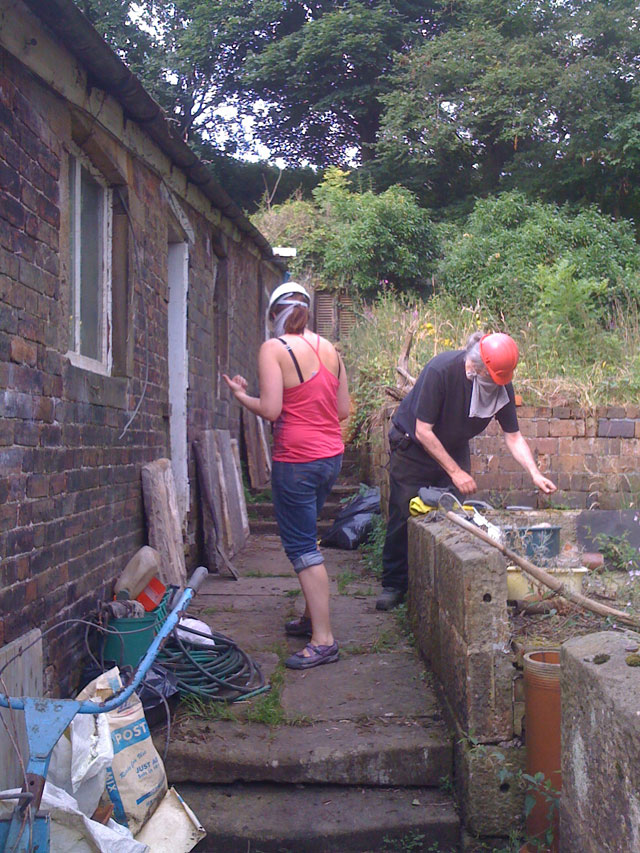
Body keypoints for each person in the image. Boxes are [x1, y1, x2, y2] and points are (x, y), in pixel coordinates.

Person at [376, 331, 557, 611]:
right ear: (474, 368)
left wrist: (534, 473)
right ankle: (394, 584)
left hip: (453, 445)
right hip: (413, 445)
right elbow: (424, 431)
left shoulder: (501, 384)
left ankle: (441, 586)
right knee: (404, 511)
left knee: (457, 516)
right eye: (493, 378)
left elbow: (513, 436)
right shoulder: (442, 371)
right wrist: (455, 472)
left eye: (502, 380)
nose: (498, 385)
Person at [223, 282, 350, 669]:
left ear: (271, 316)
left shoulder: (273, 349)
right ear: (307, 312)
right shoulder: (330, 350)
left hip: (296, 460)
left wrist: (242, 396)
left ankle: (324, 640)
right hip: (330, 457)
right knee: (307, 535)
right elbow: (342, 410)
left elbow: (274, 410)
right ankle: (312, 617)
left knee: (301, 547)